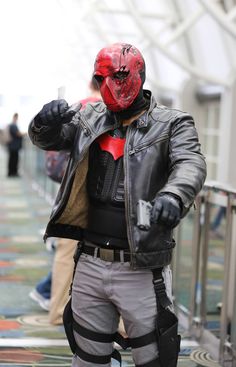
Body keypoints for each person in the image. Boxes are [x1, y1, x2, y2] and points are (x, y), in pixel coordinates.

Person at [28, 43, 207, 367]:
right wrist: (44, 122)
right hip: (90, 261)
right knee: (88, 357)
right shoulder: (88, 116)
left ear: (139, 73)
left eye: (120, 75)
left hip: (140, 266)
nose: (112, 84)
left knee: (152, 357)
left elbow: (190, 163)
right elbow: (47, 140)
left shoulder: (172, 123)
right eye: (103, 76)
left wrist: (174, 195)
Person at [30, 76, 101, 325]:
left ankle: (58, 309)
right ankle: (118, 324)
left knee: (66, 252)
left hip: (71, 192)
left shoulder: (78, 106)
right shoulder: (111, 113)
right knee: (110, 257)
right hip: (100, 197)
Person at [7, 113, 23, 177]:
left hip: (12, 146)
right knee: (14, 160)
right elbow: (18, 134)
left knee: (12, 159)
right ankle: (13, 173)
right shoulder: (13, 125)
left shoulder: (12, 125)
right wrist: (24, 134)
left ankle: (11, 172)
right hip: (14, 146)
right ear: (15, 117)